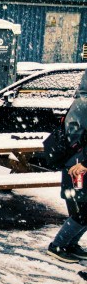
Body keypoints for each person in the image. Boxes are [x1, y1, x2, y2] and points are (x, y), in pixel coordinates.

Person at [47, 68, 87, 263]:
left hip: (80, 163)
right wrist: (82, 161)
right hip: (78, 166)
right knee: (83, 209)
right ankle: (58, 245)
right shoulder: (84, 104)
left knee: (83, 209)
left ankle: (70, 243)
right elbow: (75, 138)